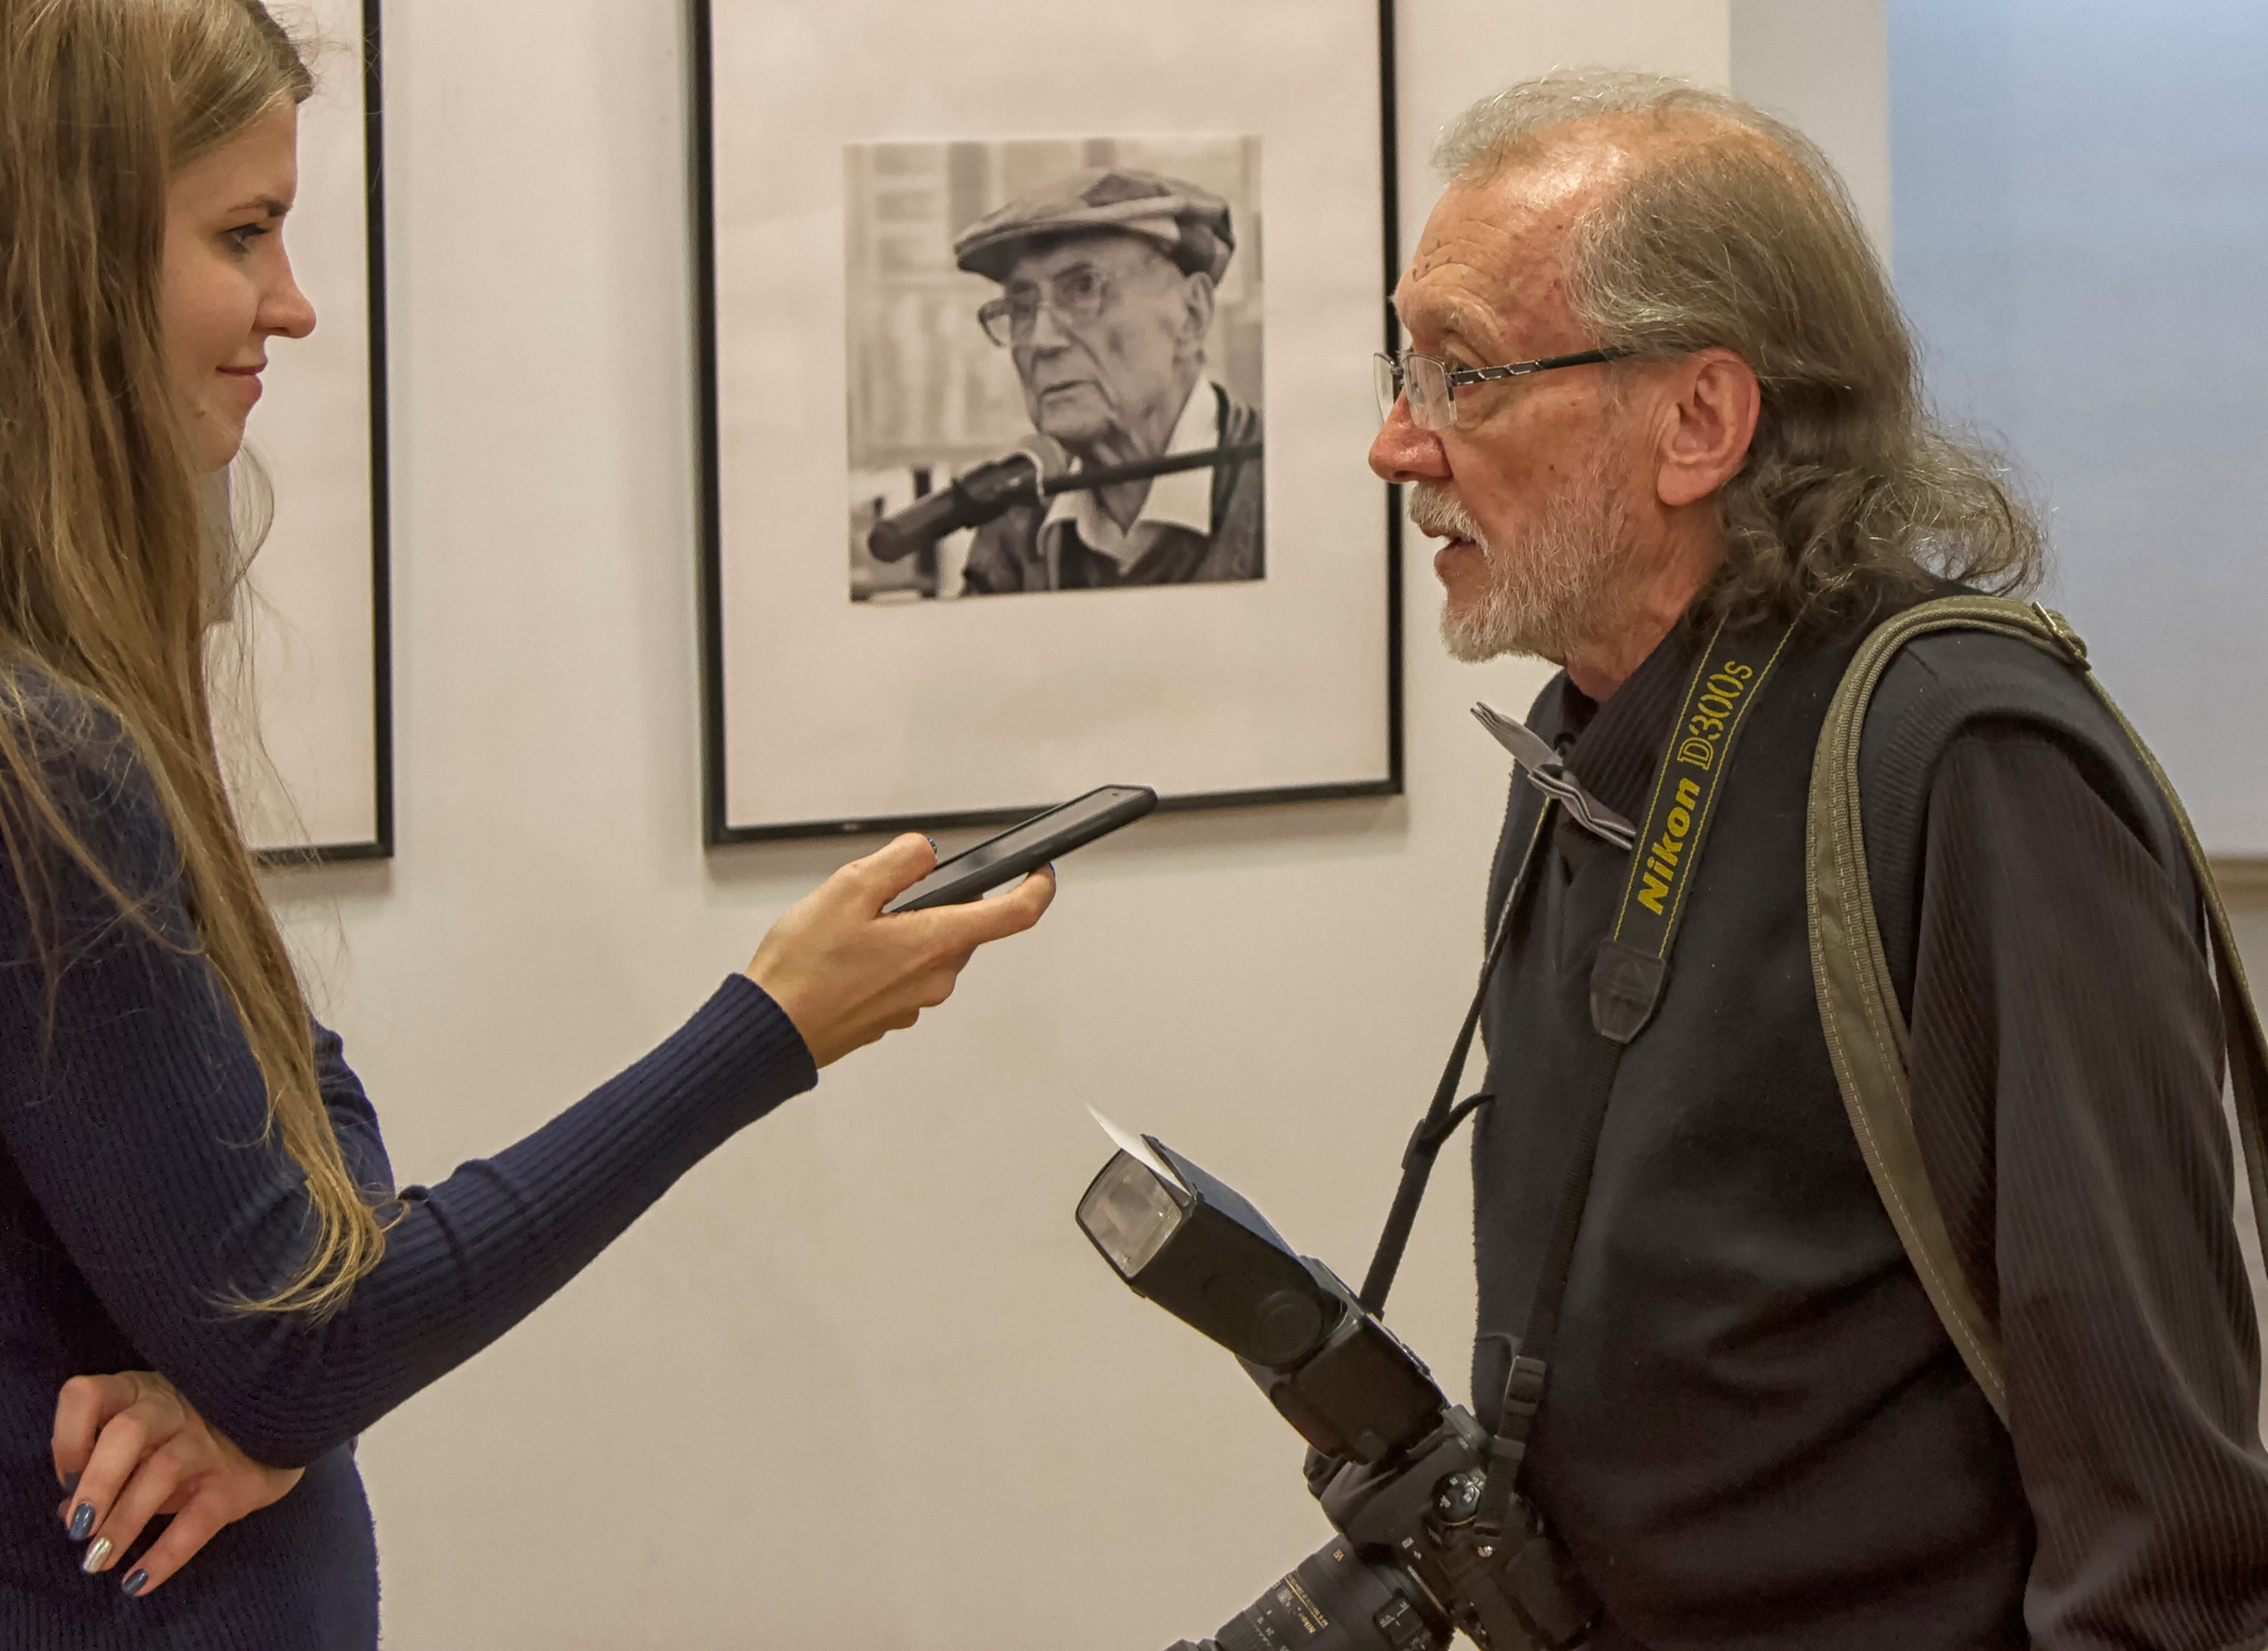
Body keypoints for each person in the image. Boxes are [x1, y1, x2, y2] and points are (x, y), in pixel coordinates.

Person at [0, 1, 1052, 1642]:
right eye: (242, 232)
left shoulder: (84, 693)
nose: (293, 301)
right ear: (66, 249)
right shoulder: (39, 754)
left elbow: (308, 1123)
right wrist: (766, 1026)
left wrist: (270, 1377)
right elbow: (305, 1329)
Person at [1368, 71, 2268, 1649]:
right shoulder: (1580, 739)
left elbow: (2163, 1512)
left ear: (1700, 421)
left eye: (1465, 375)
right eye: (1407, 367)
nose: (1396, 443)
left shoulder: (1963, 756)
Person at [953, 168, 1264, 593]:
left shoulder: (1282, 487)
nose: (1040, 340)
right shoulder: (1016, 524)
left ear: (1191, 315)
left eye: (1083, 289)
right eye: (1021, 308)